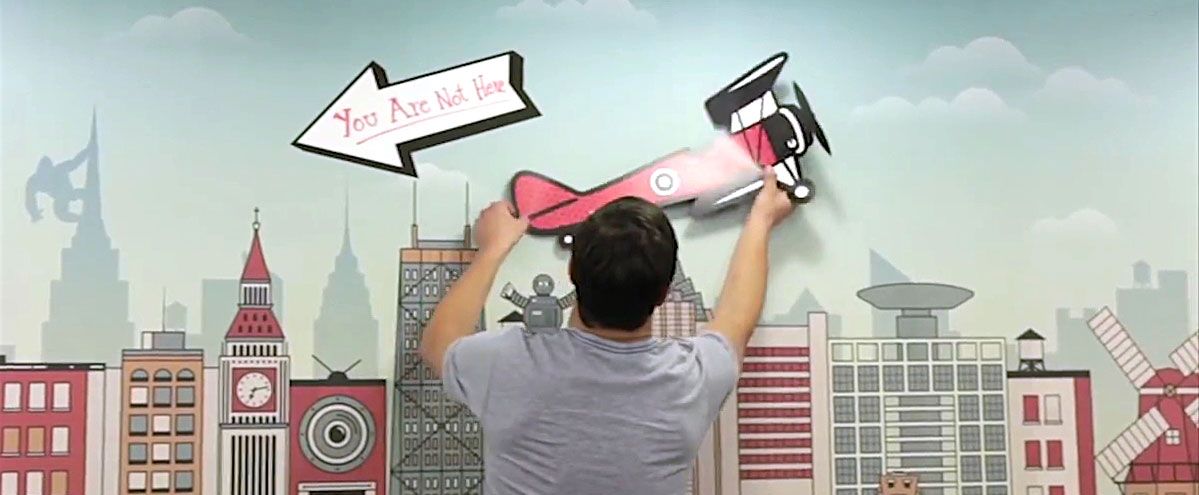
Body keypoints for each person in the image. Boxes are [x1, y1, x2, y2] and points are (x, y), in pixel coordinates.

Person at [420, 166, 797, 494]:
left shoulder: (510, 362)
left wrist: (493, 248)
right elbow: (737, 317)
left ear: (572, 273)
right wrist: (761, 221)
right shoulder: (692, 377)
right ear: (664, 292)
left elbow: (439, 343)